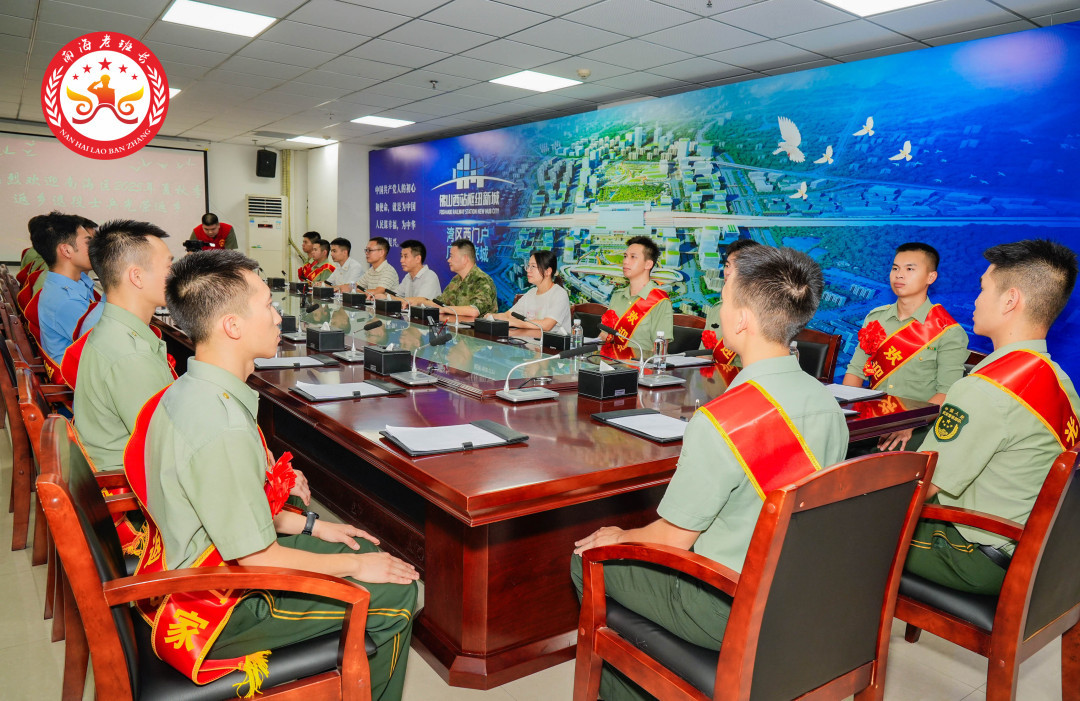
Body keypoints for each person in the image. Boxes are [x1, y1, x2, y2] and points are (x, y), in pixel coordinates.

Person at [126, 250, 417, 698]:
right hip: (222, 604)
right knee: (397, 594)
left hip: (205, 564)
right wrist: (356, 567)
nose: (278, 315)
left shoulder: (192, 389)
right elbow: (256, 558)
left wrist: (314, 526)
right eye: (267, 304)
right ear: (232, 326)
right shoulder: (220, 425)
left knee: (355, 548)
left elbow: (231, 508)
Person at [572, 246, 848, 701]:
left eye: (723, 298)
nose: (718, 309)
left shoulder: (723, 420)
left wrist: (619, 536)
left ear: (741, 320)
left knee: (589, 559)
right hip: (804, 592)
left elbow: (672, 539)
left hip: (729, 603)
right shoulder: (827, 403)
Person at [905, 239, 1079, 596]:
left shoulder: (985, 389)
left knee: (842, 523)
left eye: (983, 288)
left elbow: (923, 486)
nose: (976, 300)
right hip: (1036, 555)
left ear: (1010, 300)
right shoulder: (1061, 382)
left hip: (971, 555)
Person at [73, 220, 177, 472]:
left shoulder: (115, 329)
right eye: (169, 266)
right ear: (137, 276)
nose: (175, 276)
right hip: (128, 480)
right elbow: (167, 448)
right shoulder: (130, 356)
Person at [843, 242, 969, 451]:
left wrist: (909, 423)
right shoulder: (875, 319)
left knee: (878, 458)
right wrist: (846, 413)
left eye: (910, 269)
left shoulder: (948, 332)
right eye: (895, 268)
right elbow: (855, 372)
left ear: (931, 277)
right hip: (872, 419)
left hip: (918, 424)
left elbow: (947, 394)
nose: (899, 275)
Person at [30, 212, 105, 360]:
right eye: (88, 242)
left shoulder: (72, 284)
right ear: (66, 251)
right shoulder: (67, 301)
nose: (96, 248)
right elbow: (106, 345)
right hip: (81, 371)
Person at [599, 235, 673, 359]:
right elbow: (604, 336)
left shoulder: (660, 301)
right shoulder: (617, 295)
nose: (625, 261)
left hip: (641, 367)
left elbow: (659, 351)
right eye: (625, 256)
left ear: (648, 264)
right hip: (611, 363)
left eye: (633, 257)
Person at [699, 238, 761, 365]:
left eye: (736, 267)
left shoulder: (763, 314)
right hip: (713, 376)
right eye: (727, 266)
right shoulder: (717, 309)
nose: (727, 272)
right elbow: (703, 357)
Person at [406, 238, 497, 318]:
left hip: (477, 332)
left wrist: (445, 309)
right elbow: (438, 303)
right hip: (456, 329)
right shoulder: (456, 280)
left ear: (464, 259)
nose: (448, 260)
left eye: (452, 256)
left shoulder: (482, 280)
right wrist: (419, 302)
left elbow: (474, 311)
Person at [489, 249, 571, 332]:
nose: (528, 270)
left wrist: (516, 323)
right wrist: (491, 316)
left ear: (548, 271)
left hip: (551, 340)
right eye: (528, 266)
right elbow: (508, 315)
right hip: (529, 339)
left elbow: (547, 325)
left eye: (533, 266)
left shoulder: (559, 294)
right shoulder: (531, 293)